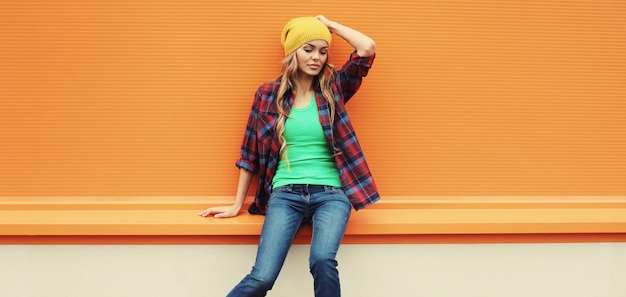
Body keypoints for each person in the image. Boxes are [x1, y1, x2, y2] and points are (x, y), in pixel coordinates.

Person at [200, 15, 380, 297]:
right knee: (262, 277)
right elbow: (249, 153)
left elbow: (367, 48)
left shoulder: (333, 89)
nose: (316, 57)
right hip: (286, 194)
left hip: (331, 194)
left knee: (322, 260)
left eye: (323, 51)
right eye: (308, 49)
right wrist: (236, 205)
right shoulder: (268, 94)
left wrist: (328, 26)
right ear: (292, 51)